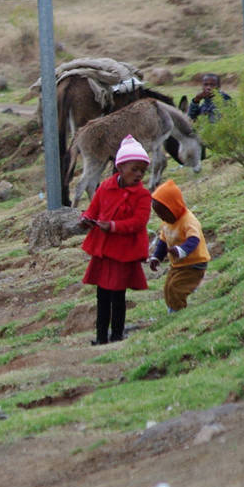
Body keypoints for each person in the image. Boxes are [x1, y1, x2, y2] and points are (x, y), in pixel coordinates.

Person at [79, 134, 153, 346]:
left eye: (142, 171)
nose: (139, 175)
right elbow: (93, 209)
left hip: (123, 252)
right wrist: (86, 219)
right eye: (134, 169)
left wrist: (112, 226)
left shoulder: (143, 195)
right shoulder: (105, 187)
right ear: (120, 167)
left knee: (117, 295)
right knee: (102, 295)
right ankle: (101, 337)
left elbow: (139, 222)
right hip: (104, 250)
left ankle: (117, 334)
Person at [147, 179, 210, 313]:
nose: (162, 218)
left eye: (163, 213)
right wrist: (156, 258)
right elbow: (163, 241)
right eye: (159, 215)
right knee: (168, 288)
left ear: (173, 206)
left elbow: (194, 239)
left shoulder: (188, 221)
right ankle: (173, 310)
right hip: (178, 264)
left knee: (176, 288)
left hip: (194, 263)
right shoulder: (167, 223)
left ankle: (178, 313)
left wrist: (181, 250)